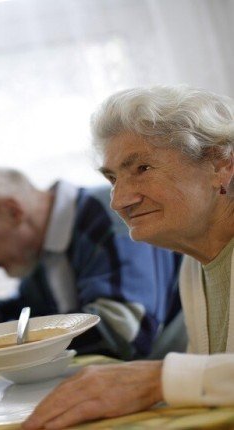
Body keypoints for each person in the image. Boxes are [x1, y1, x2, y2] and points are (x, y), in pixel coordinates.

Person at [23, 85, 234, 429]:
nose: (118, 201)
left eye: (142, 168)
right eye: (112, 178)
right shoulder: (194, 264)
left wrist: (157, 379)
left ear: (221, 165)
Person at [0, 166, 185, 360]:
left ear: (12, 211)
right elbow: (27, 322)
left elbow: (124, 333)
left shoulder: (109, 215)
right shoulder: (42, 250)